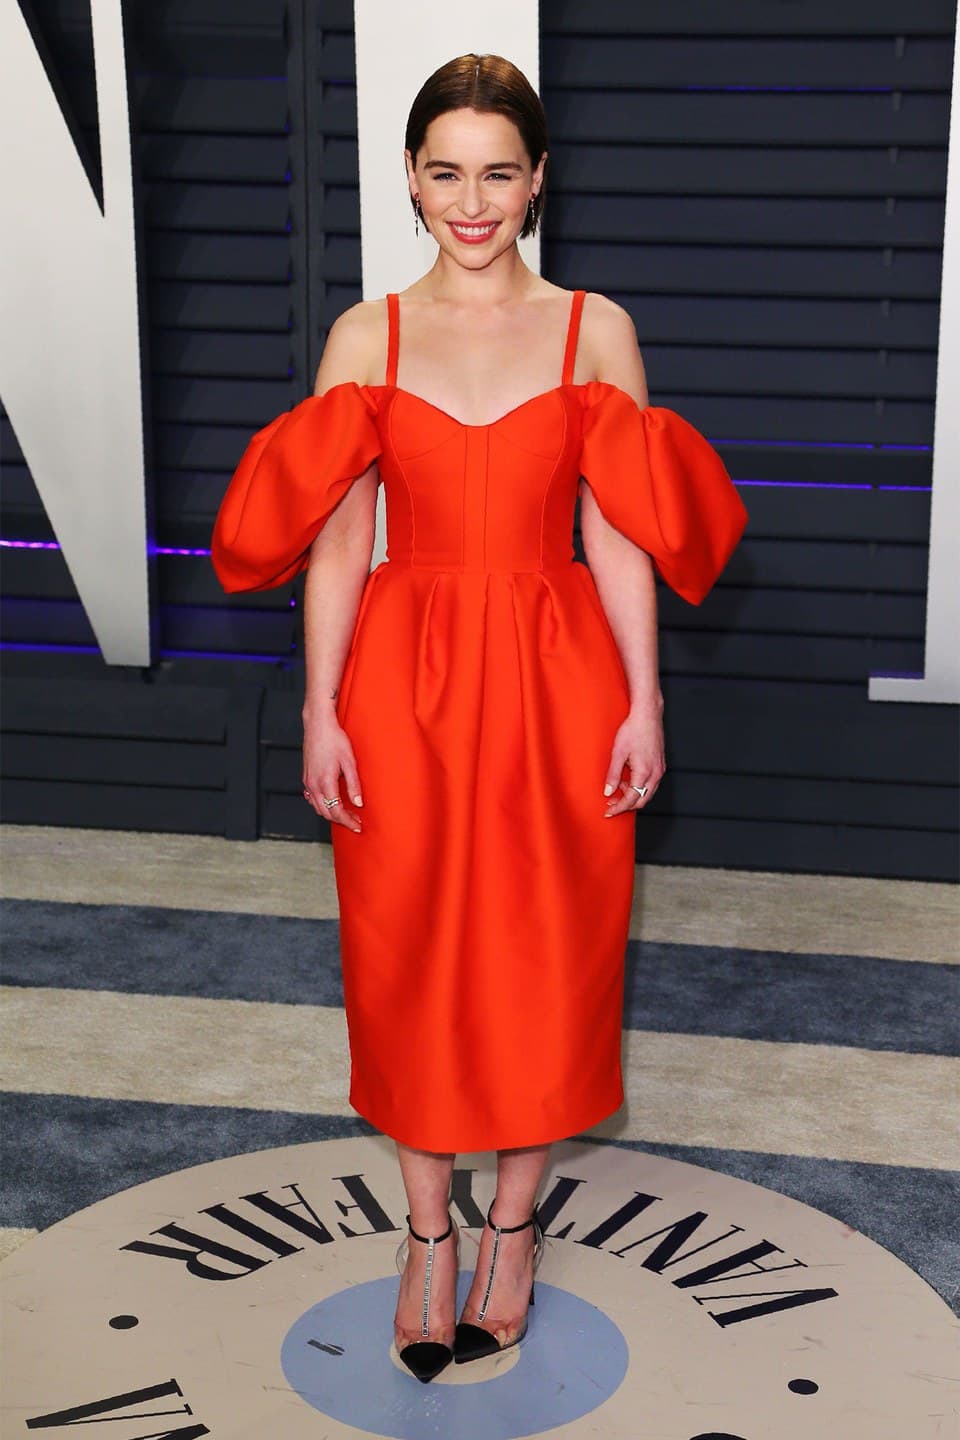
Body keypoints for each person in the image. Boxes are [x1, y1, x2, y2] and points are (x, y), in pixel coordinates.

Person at [211, 53, 747, 1384]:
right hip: (403, 679)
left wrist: (645, 699)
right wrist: (320, 712)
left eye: (498, 173)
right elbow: (341, 541)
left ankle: (513, 1228)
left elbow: (620, 532)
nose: (471, 201)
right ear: (409, 176)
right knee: (404, 950)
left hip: (559, 675)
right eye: (446, 171)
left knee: (547, 951)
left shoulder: (593, 331)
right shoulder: (368, 338)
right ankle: (426, 1234)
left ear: (538, 178)